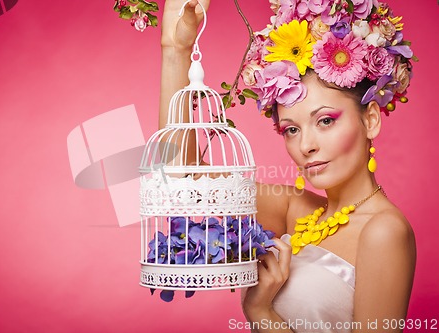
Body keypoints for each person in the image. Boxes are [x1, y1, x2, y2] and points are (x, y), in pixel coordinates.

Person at [159, 0, 416, 332]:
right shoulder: (296, 211)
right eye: (291, 129)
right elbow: (182, 178)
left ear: (370, 120)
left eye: (325, 120)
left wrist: (261, 312)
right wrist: (176, 49)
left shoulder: (384, 231)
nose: (305, 146)